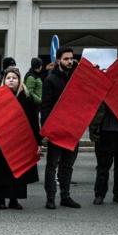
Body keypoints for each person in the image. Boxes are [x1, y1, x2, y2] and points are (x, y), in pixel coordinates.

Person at [0, 67, 40, 210]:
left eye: (14, 78)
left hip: (20, 141)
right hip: (1, 141)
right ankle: (1, 200)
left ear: (19, 81)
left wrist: (37, 142)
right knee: (1, 171)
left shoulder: (26, 98)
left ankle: (14, 200)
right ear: (4, 81)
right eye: (8, 78)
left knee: (19, 170)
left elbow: (33, 121)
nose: (11, 80)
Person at [42, 46, 81, 209]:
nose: (69, 61)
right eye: (66, 59)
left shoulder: (76, 78)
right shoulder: (51, 80)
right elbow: (45, 106)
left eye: (71, 58)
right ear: (58, 60)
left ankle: (65, 196)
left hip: (73, 128)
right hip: (57, 129)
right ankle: (50, 197)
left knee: (68, 165)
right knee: (52, 165)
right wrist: (46, 129)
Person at [89, 99, 118, 205]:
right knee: (104, 165)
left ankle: (117, 194)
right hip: (107, 131)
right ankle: (102, 194)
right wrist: (94, 128)